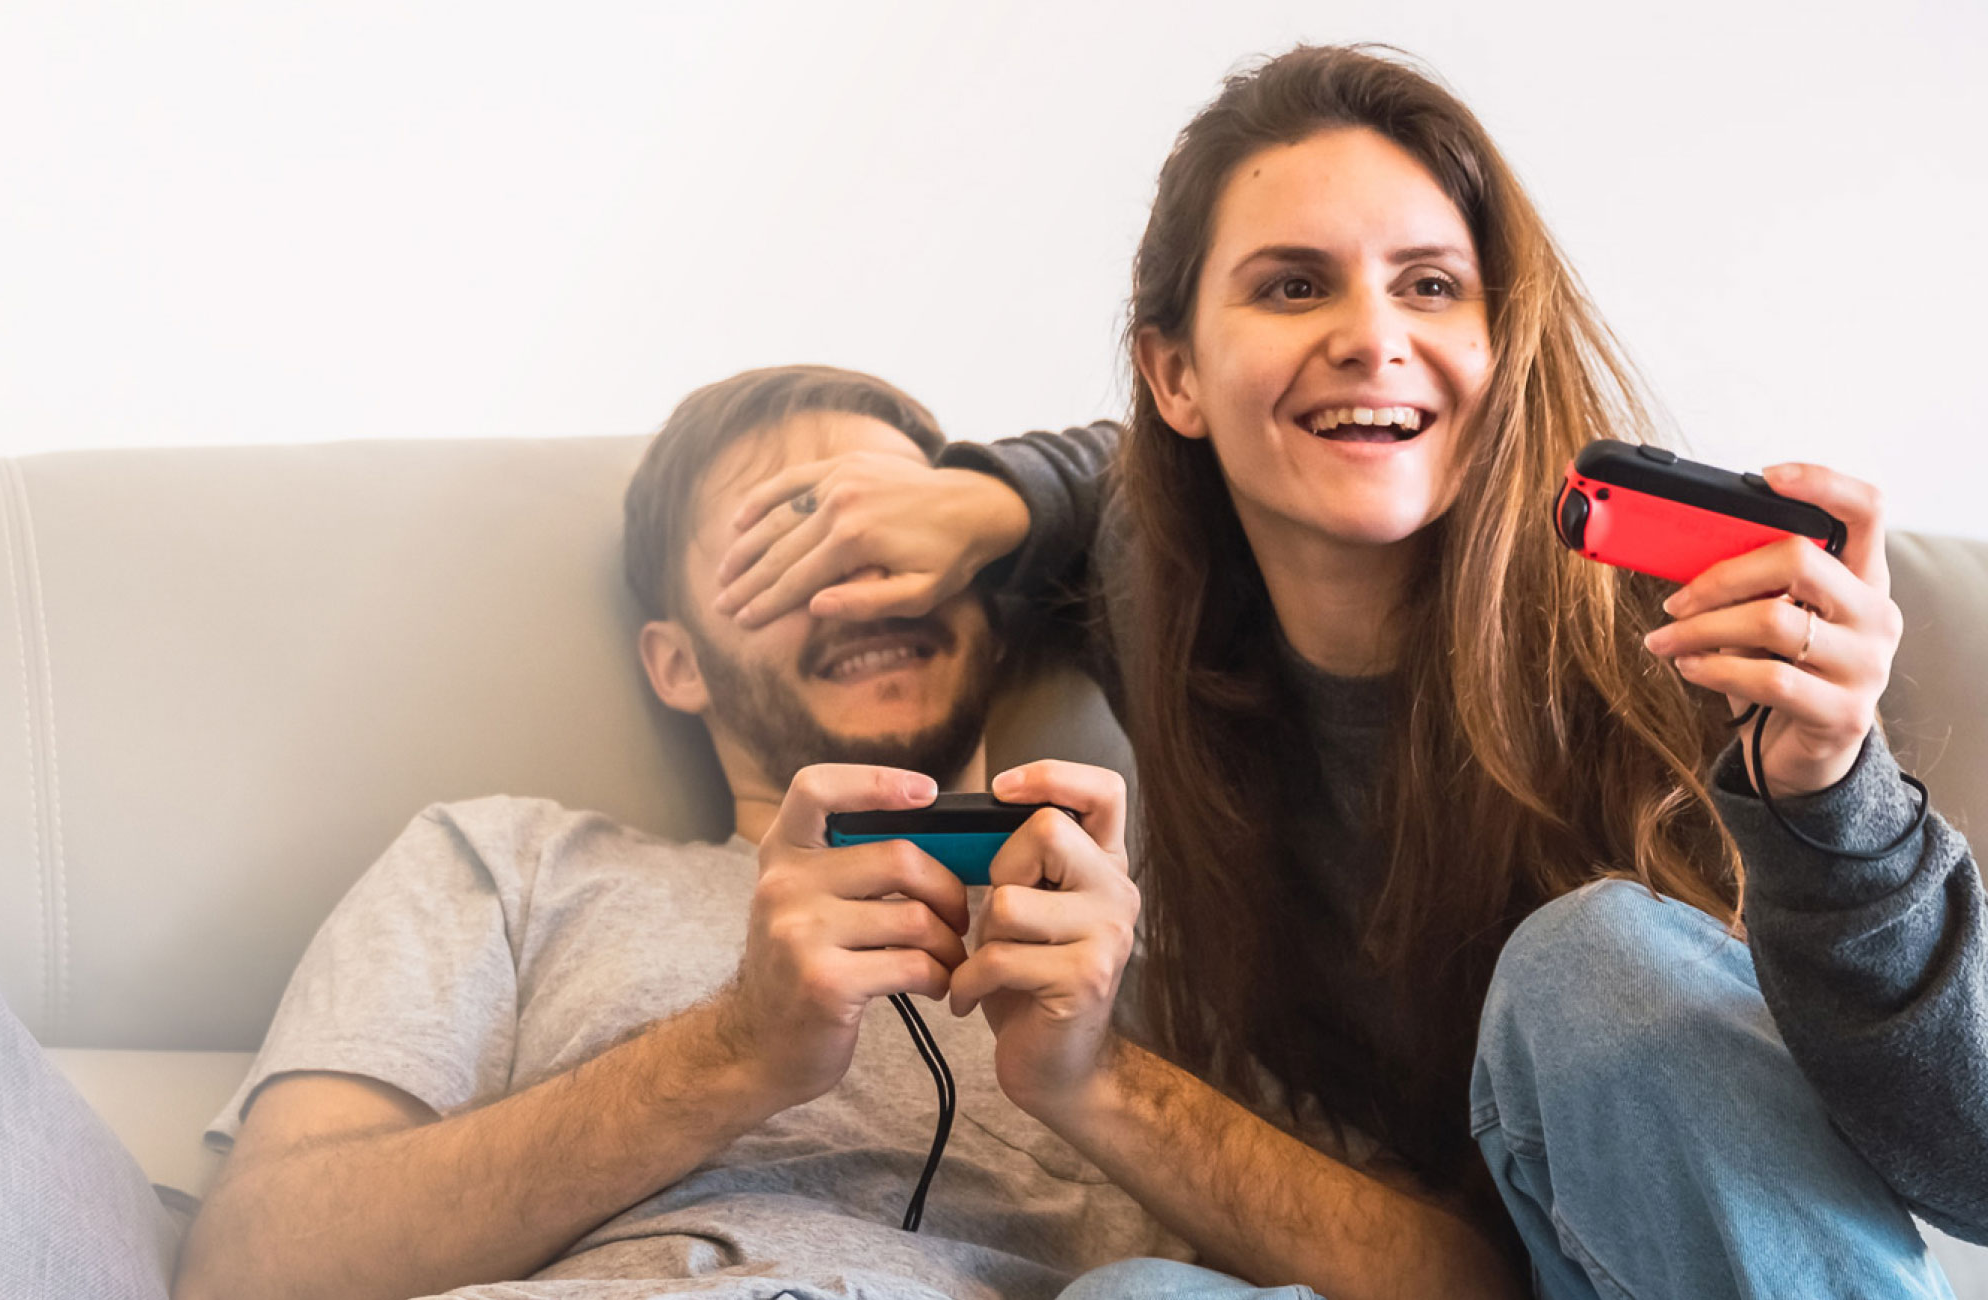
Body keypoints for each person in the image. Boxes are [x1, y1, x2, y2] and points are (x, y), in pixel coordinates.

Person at [711, 45, 1985, 1299]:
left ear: (1501, 345)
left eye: (1431, 286)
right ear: (1176, 374)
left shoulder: (1681, 627)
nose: (1373, 337)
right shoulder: (1169, 600)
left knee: (1587, 961)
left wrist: (1832, 803)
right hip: (1456, 1262)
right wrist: (984, 498)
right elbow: (1107, 479)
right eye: (1292, 287)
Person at [170, 365, 1217, 1300]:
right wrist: (734, 1052)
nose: (857, 588)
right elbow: (250, 1270)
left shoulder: (1162, 907)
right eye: (781, 545)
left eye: (892, 537)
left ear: (995, 604)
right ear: (676, 663)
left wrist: (1105, 1082)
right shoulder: (506, 863)